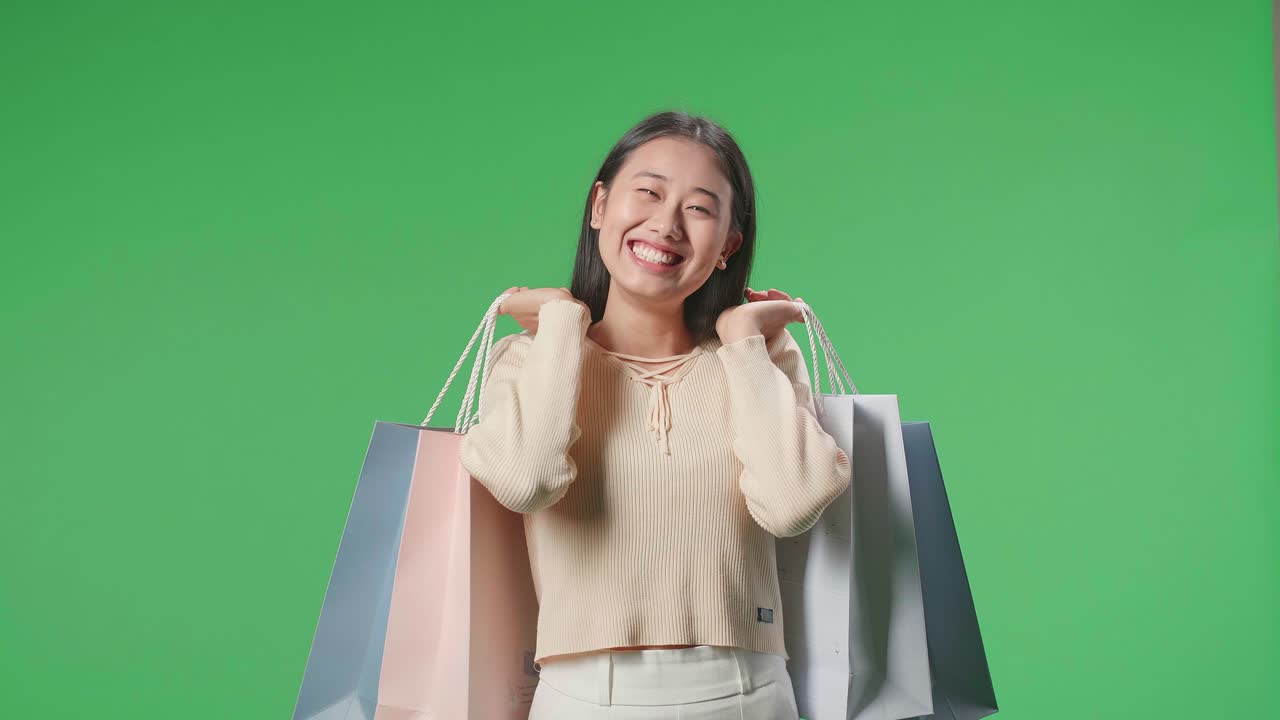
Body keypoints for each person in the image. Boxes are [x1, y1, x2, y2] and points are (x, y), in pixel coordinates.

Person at [459, 110, 851, 719]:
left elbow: (792, 502)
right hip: (585, 697)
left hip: (748, 693)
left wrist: (744, 340)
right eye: (648, 192)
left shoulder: (760, 357)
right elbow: (525, 482)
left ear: (728, 246)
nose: (666, 224)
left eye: (699, 208)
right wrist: (564, 321)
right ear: (599, 206)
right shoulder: (530, 358)